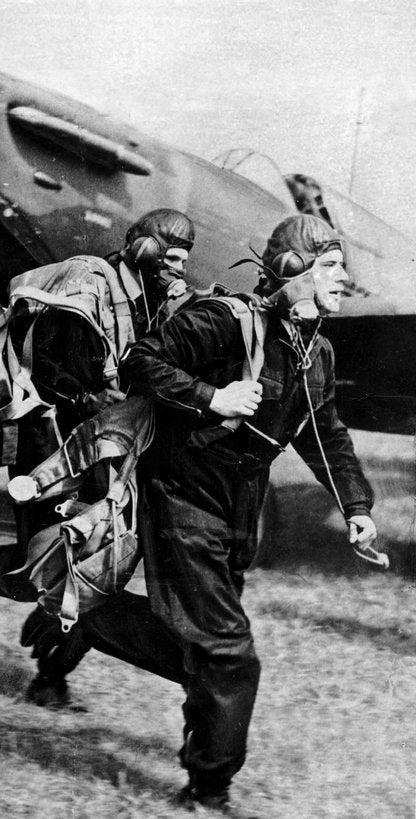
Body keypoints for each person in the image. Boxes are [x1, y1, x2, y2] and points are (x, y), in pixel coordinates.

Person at [78, 213, 380, 811]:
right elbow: (140, 359)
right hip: (184, 495)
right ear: (292, 271)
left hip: (240, 510)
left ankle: (85, 617)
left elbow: (326, 433)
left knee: (199, 644)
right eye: (331, 266)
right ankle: (210, 787)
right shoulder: (225, 320)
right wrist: (210, 397)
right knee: (228, 652)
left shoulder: (315, 351)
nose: (346, 278)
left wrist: (356, 506)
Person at [0, 209, 202, 705]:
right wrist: (91, 402)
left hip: (106, 443)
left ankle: (49, 677)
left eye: (185, 259)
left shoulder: (152, 297)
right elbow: (49, 370)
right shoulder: (85, 284)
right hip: (49, 443)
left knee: (93, 561)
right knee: (48, 568)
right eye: (172, 256)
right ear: (143, 248)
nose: (179, 268)